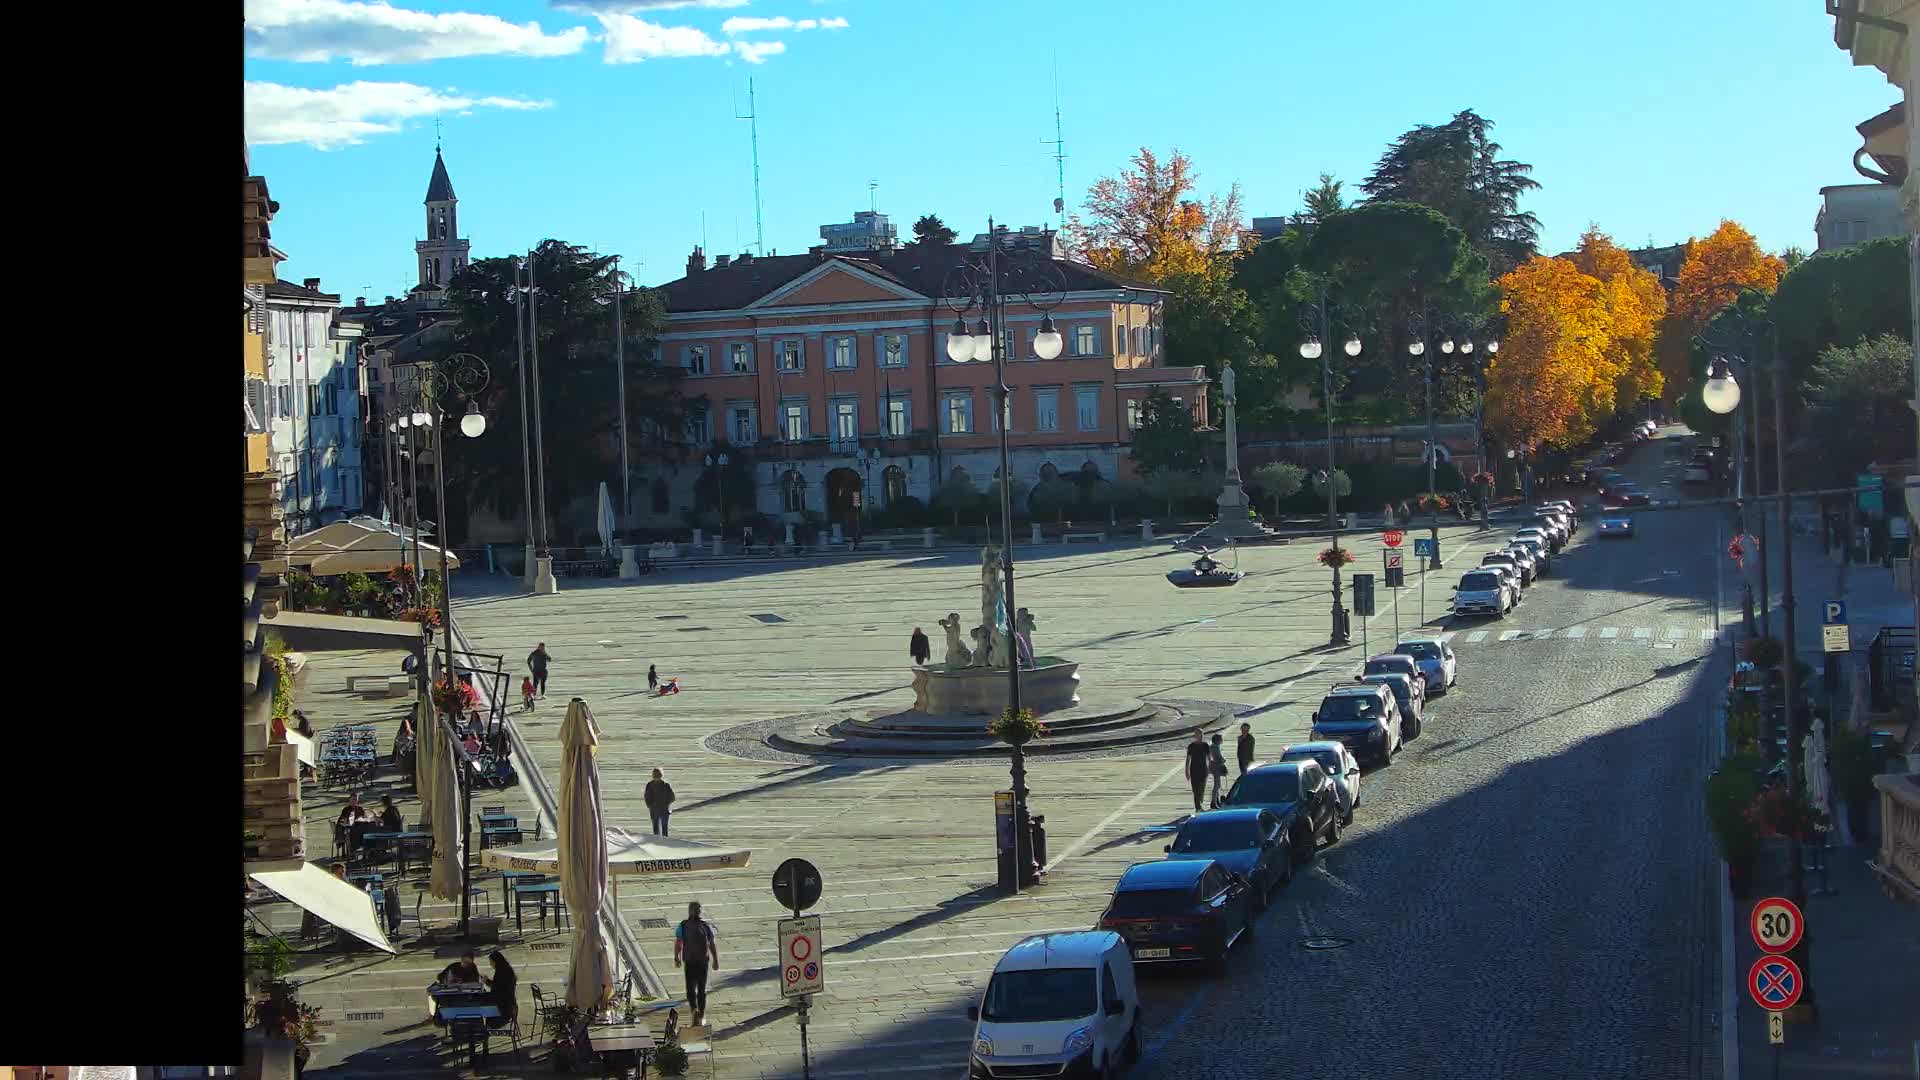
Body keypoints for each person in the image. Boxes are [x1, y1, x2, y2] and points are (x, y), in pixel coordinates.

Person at [673, 901, 719, 1028]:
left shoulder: (683, 925)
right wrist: (715, 960)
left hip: (690, 961)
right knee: (701, 990)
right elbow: (711, 943)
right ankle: (701, 1015)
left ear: (689, 911)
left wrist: (676, 957)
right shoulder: (705, 926)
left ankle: (694, 1011)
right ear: (699, 912)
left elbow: (678, 942)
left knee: (690, 990)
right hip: (702, 962)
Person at [487, 951, 519, 1028]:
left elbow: (497, 989)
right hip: (508, 1006)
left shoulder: (502, 973)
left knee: (485, 1012)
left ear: (496, 961)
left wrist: (487, 981)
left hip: (503, 1013)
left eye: (491, 962)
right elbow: (497, 986)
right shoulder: (505, 970)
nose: (490, 964)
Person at [1183, 730, 1210, 815]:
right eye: (1198, 735)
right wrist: (1186, 771)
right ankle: (1198, 807)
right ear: (1195, 736)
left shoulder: (1206, 745)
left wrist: (1212, 767)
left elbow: (1209, 758)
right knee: (1195, 790)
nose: (1200, 736)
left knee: (1201, 790)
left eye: (1201, 735)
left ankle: (1200, 805)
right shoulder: (1191, 746)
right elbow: (1188, 759)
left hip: (1203, 770)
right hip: (1194, 770)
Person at [645, 768, 675, 836]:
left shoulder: (651, 785)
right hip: (659, 810)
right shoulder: (665, 785)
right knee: (660, 830)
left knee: (659, 830)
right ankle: (663, 843)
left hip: (659, 810)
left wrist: (650, 806)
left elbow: (672, 797)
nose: (656, 778)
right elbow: (672, 797)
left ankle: (660, 842)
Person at [1208, 732, 1229, 809]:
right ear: (1217, 740)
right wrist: (1224, 760)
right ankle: (1214, 801)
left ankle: (1216, 800)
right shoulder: (1215, 747)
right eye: (1221, 739)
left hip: (1213, 766)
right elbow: (1218, 757)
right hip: (1216, 767)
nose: (1222, 740)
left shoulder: (1213, 746)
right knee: (1217, 785)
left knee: (1217, 784)